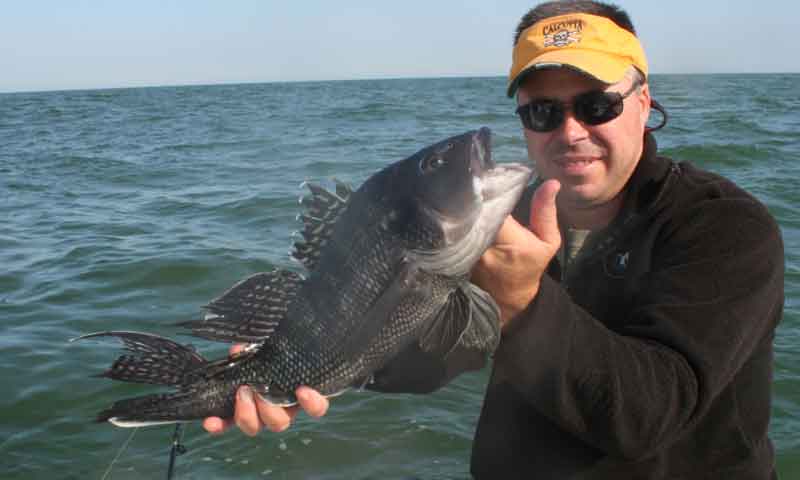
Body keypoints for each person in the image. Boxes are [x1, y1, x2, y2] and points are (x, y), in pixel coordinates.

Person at [204, 1, 785, 478]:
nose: (572, 131)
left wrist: (521, 300)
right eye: (543, 114)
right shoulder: (495, 224)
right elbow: (438, 354)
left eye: (597, 105)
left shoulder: (725, 226)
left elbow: (648, 417)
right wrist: (295, 370)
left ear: (643, 101)